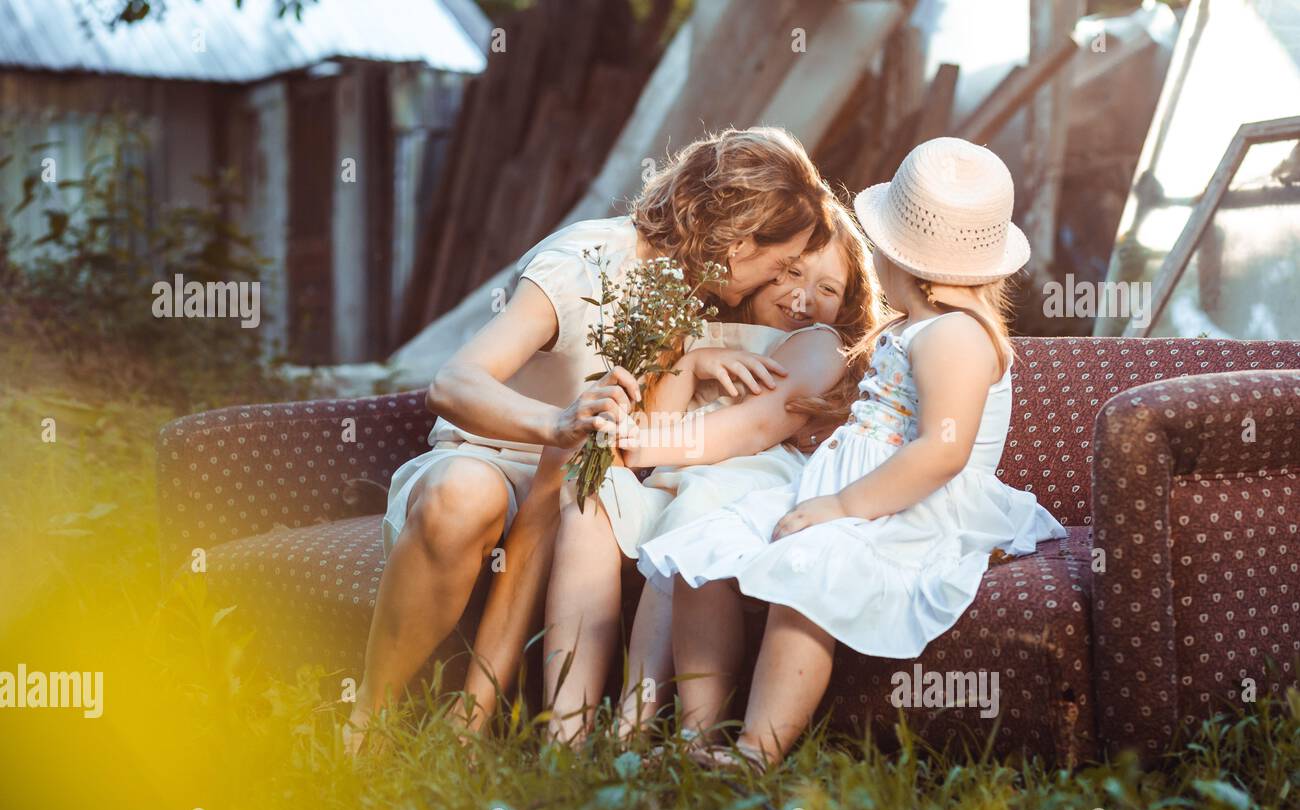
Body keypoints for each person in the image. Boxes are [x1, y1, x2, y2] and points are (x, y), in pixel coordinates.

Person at [346, 127, 833, 752]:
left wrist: (698, 358)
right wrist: (556, 423)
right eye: (782, 262)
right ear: (739, 245)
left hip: (574, 484)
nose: (783, 280)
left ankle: (471, 726)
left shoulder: (690, 297)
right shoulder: (585, 261)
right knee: (467, 494)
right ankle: (367, 718)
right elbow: (454, 382)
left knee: (576, 484)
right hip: (489, 453)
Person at [639, 138, 1070, 768]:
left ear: (899, 257)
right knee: (703, 551)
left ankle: (757, 752)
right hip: (842, 496)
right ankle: (694, 741)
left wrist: (840, 505)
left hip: (908, 509)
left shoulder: (957, 335)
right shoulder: (911, 326)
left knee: (811, 565)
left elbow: (940, 455)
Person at [543, 202, 881, 744]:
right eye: (794, 272)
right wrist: (693, 361)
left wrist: (628, 443)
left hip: (743, 484)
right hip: (672, 478)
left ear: (847, 307)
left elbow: (744, 434)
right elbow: (661, 425)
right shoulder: (704, 329)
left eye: (828, 289)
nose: (803, 296)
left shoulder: (820, 345)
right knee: (588, 492)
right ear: (769, 265)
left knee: (692, 513)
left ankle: (638, 720)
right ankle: (566, 724)